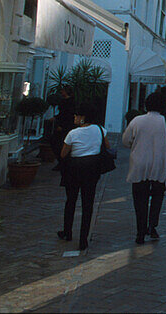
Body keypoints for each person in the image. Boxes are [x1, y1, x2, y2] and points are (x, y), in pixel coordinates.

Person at [122, 91, 166, 245]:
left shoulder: (137, 121)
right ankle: (152, 226)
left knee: (139, 200)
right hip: (159, 166)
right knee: (157, 197)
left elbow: (126, 141)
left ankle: (140, 232)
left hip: (139, 165)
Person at [58, 101, 105, 251]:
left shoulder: (73, 133)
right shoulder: (100, 130)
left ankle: (67, 231)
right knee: (88, 203)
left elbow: (63, 153)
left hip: (75, 169)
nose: (74, 117)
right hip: (92, 169)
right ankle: (83, 238)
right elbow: (107, 147)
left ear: (83, 117)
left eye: (77, 115)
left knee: (71, 200)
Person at [50, 85, 76, 168]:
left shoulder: (67, 102)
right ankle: (63, 161)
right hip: (67, 125)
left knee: (58, 143)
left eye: (63, 91)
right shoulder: (70, 101)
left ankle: (62, 161)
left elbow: (66, 115)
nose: (61, 92)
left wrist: (60, 124)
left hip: (64, 126)